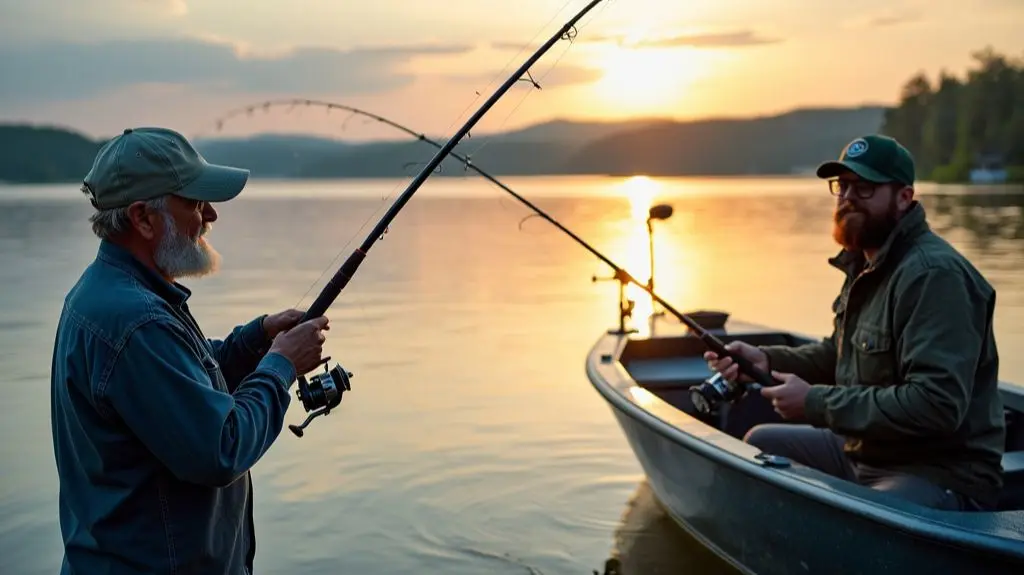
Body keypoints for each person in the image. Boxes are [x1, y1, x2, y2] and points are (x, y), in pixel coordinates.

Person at [50, 127, 331, 574]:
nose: (212, 215)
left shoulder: (116, 294)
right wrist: (280, 366)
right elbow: (221, 448)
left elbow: (175, 388)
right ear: (143, 218)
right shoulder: (136, 321)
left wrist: (254, 341)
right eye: (196, 202)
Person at [704, 134, 1005, 511]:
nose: (847, 198)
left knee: (880, 513)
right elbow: (840, 355)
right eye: (843, 186)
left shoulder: (934, 276)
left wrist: (814, 402)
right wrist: (767, 360)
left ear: (903, 197)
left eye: (864, 188)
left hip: (938, 471)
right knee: (763, 442)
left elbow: (935, 405)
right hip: (867, 451)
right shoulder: (866, 262)